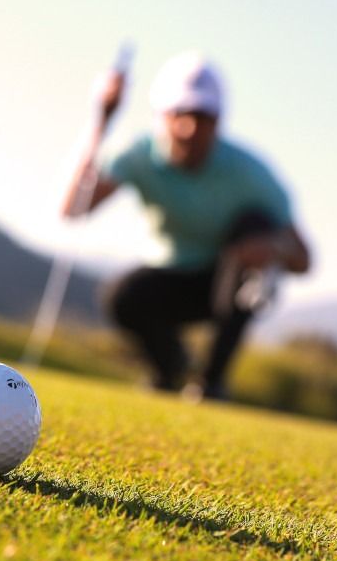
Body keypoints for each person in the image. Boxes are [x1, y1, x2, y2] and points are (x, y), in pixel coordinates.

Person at [61, 51, 311, 400]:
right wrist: (100, 121)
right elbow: (73, 208)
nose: (191, 128)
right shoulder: (138, 155)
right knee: (122, 296)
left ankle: (211, 382)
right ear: (160, 115)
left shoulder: (251, 174)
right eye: (181, 114)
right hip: (169, 280)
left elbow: (304, 258)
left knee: (257, 224)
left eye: (203, 117)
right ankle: (170, 368)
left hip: (225, 286)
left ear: (219, 121)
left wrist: (273, 249)